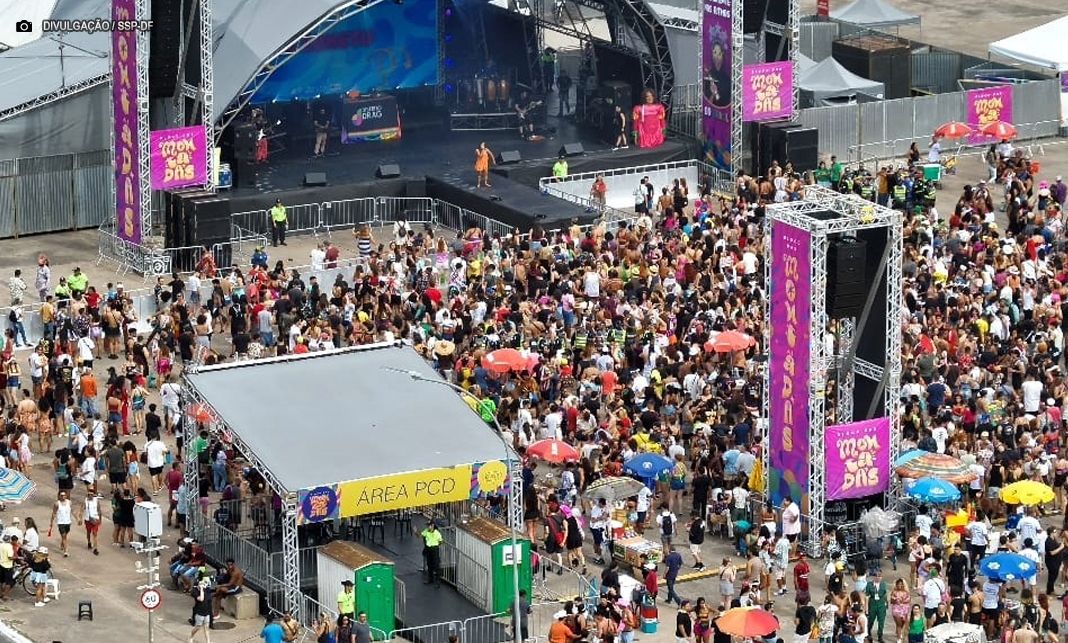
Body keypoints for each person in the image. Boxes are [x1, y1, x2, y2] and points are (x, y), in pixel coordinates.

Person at [190, 573, 213, 643]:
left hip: (207, 611)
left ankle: (208, 641)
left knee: (206, 627)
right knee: (198, 627)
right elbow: (201, 599)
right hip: (199, 612)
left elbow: (209, 599)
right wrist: (201, 590)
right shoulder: (194, 591)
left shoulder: (207, 590)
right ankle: (191, 636)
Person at [421, 521, 443, 586]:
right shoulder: (426, 531)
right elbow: (421, 535)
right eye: (427, 525)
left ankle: (438, 581)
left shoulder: (437, 533)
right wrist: (416, 532)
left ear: (432, 525)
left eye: (429, 525)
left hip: (434, 549)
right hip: (428, 548)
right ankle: (430, 579)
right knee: (429, 564)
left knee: (436, 565)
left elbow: (440, 541)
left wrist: (436, 545)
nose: (428, 527)